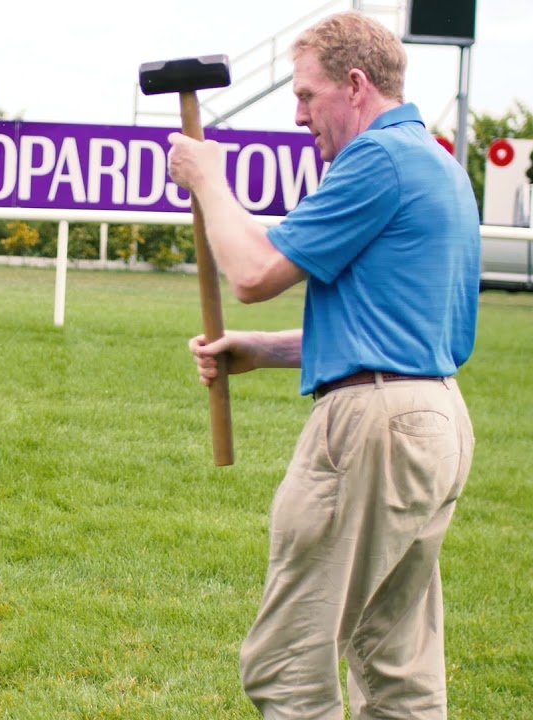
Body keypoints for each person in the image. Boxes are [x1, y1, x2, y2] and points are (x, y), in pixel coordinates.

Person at [166, 10, 479, 720]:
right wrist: (263, 350)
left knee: (287, 662)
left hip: (373, 428)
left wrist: (208, 180)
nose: (298, 112)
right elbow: (400, 329)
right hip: (434, 421)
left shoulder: (377, 162)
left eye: (307, 95)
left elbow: (251, 270)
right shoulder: (436, 164)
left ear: (357, 86)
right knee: (396, 667)